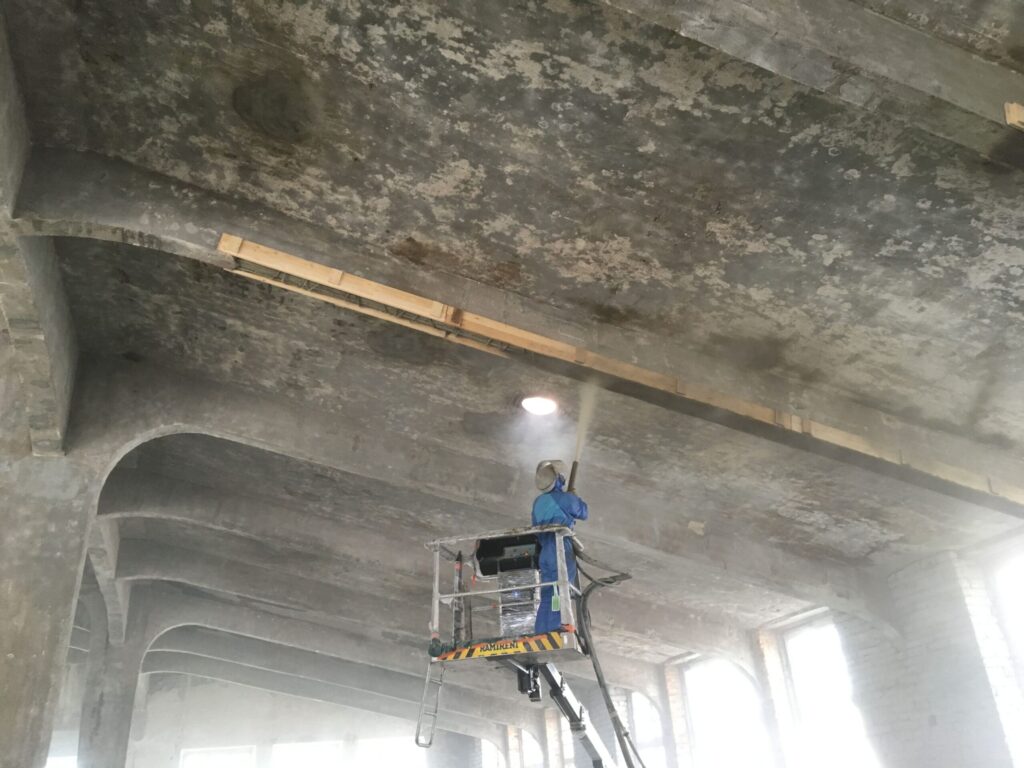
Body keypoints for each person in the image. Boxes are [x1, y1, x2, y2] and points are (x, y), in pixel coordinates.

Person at [531, 460, 589, 633]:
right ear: (557, 479)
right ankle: (557, 626)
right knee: (561, 589)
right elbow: (584, 512)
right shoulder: (565, 499)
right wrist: (574, 496)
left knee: (548, 593)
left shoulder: (538, 502)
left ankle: (542, 631)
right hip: (561, 548)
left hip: (545, 553)